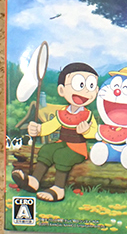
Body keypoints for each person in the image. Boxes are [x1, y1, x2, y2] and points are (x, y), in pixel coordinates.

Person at [12, 62, 98, 202]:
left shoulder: (88, 115)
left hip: (78, 149)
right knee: (47, 149)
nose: (85, 91)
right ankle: (34, 181)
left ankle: (59, 188)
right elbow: (52, 125)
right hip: (61, 143)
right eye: (80, 85)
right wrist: (39, 130)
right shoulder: (62, 112)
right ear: (62, 90)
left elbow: (94, 132)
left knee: (62, 155)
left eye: (91, 86)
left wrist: (86, 131)